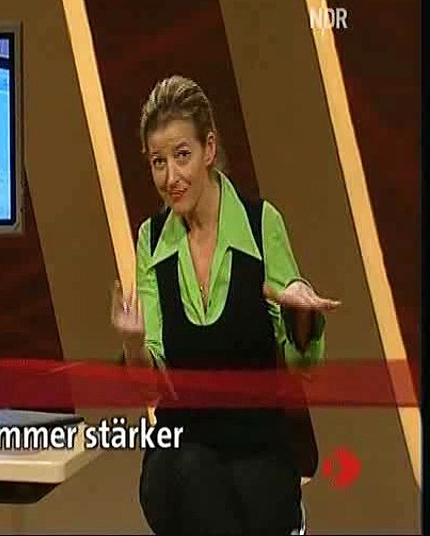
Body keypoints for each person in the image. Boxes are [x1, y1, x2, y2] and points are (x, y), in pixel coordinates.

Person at [111, 75, 340, 535]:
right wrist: (134, 345)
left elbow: (302, 368)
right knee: (186, 471)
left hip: (258, 446)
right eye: (158, 162)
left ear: (209, 149)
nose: (171, 178)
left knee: (230, 496)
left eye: (182, 155)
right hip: (182, 448)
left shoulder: (260, 225)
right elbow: (153, 388)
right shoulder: (151, 241)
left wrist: (300, 316)